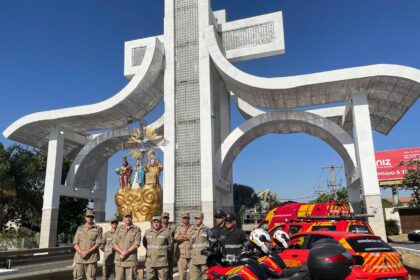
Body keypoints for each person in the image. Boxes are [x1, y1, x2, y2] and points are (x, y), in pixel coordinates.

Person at [72, 209, 103, 280]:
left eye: (91, 217)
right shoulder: (80, 228)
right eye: (88, 216)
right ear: (85, 218)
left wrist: (87, 252)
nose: (90, 218)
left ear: (93, 218)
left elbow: (98, 243)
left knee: (91, 278)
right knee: (77, 277)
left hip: (91, 258)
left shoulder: (98, 229)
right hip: (79, 257)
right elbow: (75, 243)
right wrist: (81, 252)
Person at [112, 211, 142, 280]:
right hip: (119, 260)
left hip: (130, 261)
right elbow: (114, 243)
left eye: (129, 217)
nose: (128, 218)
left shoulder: (136, 229)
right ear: (123, 218)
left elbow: (136, 244)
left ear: (132, 218)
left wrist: (126, 252)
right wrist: (122, 252)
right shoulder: (119, 229)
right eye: (126, 217)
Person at [189, 213, 209, 280]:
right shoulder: (191, 231)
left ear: (202, 218)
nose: (196, 220)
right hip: (194, 259)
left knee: (206, 278)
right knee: (194, 278)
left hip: (204, 259)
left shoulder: (207, 229)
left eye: (198, 218)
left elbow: (211, 244)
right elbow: (190, 244)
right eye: (195, 218)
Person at [175, 212, 194, 280]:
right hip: (181, 255)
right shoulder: (179, 227)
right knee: (182, 276)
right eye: (184, 218)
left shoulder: (193, 227)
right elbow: (176, 237)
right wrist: (187, 237)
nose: (185, 219)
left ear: (189, 219)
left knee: (193, 276)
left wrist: (183, 236)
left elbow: (193, 237)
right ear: (182, 219)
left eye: (187, 218)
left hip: (191, 254)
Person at [161, 212, 176, 280]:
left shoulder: (172, 227)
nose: (165, 219)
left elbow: (176, 238)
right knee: (162, 274)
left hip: (169, 254)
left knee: (169, 273)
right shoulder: (158, 226)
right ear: (161, 218)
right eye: (164, 218)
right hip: (160, 255)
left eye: (167, 218)